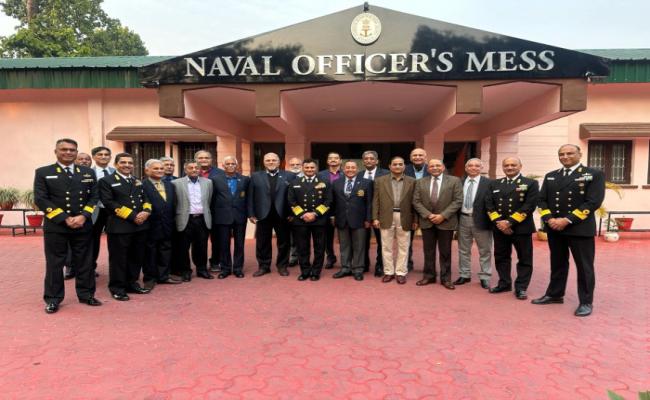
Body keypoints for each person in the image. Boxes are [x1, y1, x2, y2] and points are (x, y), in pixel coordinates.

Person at [532, 144, 605, 317]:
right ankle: (555, 294)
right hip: (555, 228)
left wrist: (567, 220)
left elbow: (593, 202)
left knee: (584, 267)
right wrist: (549, 219)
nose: (565, 157)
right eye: (561, 154)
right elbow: (541, 200)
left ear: (580, 154)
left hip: (579, 228)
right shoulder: (551, 175)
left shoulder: (593, 174)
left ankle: (586, 302)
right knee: (557, 263)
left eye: (570, 153)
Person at [34, 138, 101, 313]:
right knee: (55, 263)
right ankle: (53, 299)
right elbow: (41, 199)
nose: (68, 152)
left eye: (72, 150)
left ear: (76, 152)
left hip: (82, 224)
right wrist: (64, 218)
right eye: (64, 149)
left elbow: (94, 196)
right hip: (56, 226)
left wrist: (84, 216)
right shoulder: (43, 172)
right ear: (56, 151)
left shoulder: (87, 172)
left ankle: (86, 294)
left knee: (85, 261)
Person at [99, 152, 152, 301]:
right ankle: (117, 288)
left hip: (140, 226)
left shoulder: (136, 180)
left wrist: (146, 212)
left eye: (130, 163)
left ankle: (131, 283)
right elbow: (109, 203)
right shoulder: (106, 181)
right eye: (123, 162)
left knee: (136, 257)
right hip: (120, 226)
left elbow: (146, 199)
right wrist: (133, 216)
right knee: (119, 259)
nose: (127, 165)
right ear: (116, 164)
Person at [485, 157, 539, 300]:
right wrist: (499, 223)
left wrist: (509, 222)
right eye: (506, 165)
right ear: (503, 167)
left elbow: (529, 205)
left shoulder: (530, 183)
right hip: (499, 228)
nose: (509, 167)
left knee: (524, 259)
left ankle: (521, 287)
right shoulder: (494, 184)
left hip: (521, 228)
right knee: (501, 256)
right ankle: (504, 283)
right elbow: (489, 205)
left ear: (520, 166)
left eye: (513, 165)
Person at [412, 158, 463, 290]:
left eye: (437, 165)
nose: (435, 168)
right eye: (432, 166)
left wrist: (442, 216)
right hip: (427, 221)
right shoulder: (420, 182)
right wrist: (428, 215)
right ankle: (429, 276)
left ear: (443, 167)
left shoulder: (454, 181)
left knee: (445, 251)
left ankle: (446, 278)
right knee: (428, 251)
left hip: (446, 221)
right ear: (428, 169)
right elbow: (416, 201)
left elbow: (458, 201)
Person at [248, 152, 295, 277]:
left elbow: (293, 196)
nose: (271, 162)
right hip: (262, 214)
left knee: (284, 242)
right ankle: (264, 266)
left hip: (283, 214)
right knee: (262, 242)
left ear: (279, 162)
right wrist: (251, 213)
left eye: (274, 160)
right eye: (268, 160)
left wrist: (292, 213)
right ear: (264, 162)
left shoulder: (290, 176)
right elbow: (250, 196)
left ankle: (282, 266)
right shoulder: (255, 176)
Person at [372, 157, 417, 284]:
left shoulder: (412, 181)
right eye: (395, 164)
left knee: (404, 246)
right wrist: (375, 217)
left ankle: (401, 272)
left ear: (404, 166)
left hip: (405, 216)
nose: (397, 166)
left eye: (400, 164)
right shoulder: (380, 180)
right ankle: (388, 271)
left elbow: (415, 202)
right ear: (390, 166)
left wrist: (415, 219)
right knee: (386, 246)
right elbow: (375, 200)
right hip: (386, 216)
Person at [288, 158, 332, 281]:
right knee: (302, 247)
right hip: (300, 220)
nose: (309, 170)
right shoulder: (294, 182)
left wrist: (315, 214)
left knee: (319, 247)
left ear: (316, 168)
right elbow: (291, 202)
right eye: (307, 167)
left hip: (319, 220)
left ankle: (316, 272)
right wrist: (303, 214)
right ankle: (305, 271)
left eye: (312, 167)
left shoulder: (324, 182)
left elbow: (328, 201)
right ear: (303, 168)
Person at [141, 159, 181, 289]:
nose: (159, 171)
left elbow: (173, 204)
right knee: (150, 252)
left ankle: (163, 276)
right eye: (156, 168)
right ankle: (150, 278)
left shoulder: (170, 185)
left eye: (161, 168)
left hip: (167, 224)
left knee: (166, 250)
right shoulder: (142, 185)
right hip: (150, 225)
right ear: (147, 170)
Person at [172, 161, 214, 281]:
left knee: (201, 246)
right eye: (191, 168)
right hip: (185, 219)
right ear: (185, 170)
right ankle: (185, 271)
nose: (194, 169)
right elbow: (174, 202)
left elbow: (209, 200)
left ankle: (202, 270)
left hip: (202, 219)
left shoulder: (208, 182)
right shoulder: (176, 183)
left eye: (196, 167)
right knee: (183, 247)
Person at [454, 158, 493, 289]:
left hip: (482, 220)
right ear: (466, 168)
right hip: (463, 219)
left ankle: (485, 276)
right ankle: (464, 274)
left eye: (477, 166)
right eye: (470, 166)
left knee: (485, 250)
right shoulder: (459, 182)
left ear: (481, 168)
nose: (473, 168)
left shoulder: (489, 183)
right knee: (463, 249)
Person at [331, 160, 372, 281]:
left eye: (353, 167)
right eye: (347, 167)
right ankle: (345, 268)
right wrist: (333, 216)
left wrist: (368, 219)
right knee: (344, 245)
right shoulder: (336, 183)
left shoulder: (366, 182)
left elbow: (369, 203)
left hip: (360, 220)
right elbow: (333, 202)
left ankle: (358, 269)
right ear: (343, 169)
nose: (350, 170)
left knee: (359, 246)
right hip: (341, 219)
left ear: (357, 169)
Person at [211, 156, 250, 279]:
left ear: (236, 165)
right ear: (223, 166)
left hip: (240, 216)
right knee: (223, 244)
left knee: (240, 244)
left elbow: (248, 198)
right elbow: (212, 199)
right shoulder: (215, 180)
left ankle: (238, 268)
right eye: (227, 164)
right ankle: (225, 269)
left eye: (233, 163)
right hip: (222, 216)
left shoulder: (245, 179)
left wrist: (250, 214)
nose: (230, 166)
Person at [358, 150, 389, 276]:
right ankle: (364, 264)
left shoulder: (386, 173)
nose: (369, 160)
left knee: (382, 242)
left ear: (377, 161)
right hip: (362, 213)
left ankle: (380, 266)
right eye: (366, 159)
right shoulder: (358, 175)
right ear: (363, 161)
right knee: (362, 241)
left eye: (371, 158)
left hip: (380, 213)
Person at [194, 150, 224, 273]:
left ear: (212, 160)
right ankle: (200, 265)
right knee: (199, 241)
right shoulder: (191, 171)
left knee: (217, 239)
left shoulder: (220, 173)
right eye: (201, 158)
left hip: (216, 211)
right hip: (198, 212)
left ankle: (215, 262)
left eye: (206, 157)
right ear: (196, 160)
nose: (204, 160)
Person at [89, 146, 115, 276]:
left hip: (113, 212)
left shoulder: (116, 171)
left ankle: (116, 269)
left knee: (116, 241)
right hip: (95, 211)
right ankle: (90, 268)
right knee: (92, 241)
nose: (104, 157)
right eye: (100, 154)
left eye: (106, 154)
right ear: (94, 157)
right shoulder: (88, 173)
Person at [404, 148, 430, 272]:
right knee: (406, 241)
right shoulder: (404, 169)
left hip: (428, 210)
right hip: (408, 210)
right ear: (410, 158)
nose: (417, 157)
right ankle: (407, 264)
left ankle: (429, 267)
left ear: (425, 157)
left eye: (420, 155)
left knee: (429, 242)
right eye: (415, 155)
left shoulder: (432, 169)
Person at [317, 152, 342, 269]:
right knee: (327, 236)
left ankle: (346, 259)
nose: (333, 160)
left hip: (342, 209)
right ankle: (330, 257)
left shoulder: (346, 173)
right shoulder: (320, 175)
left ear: (340, 161)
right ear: (327, 161)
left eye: (336, 158)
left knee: (345, 236)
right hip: (325, 209)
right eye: (330, 158)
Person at [286, 157, 303, 266]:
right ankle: (293, 257)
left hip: (304, 213)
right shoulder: (285, 178)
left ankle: (303, 257)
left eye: (297, 164)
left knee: (302, 237)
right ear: (288, 166)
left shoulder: (307, 177)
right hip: (289, 213)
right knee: (290, 238)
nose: (295, 166)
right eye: (292, 165)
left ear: (301, 165)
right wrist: (290, 213)